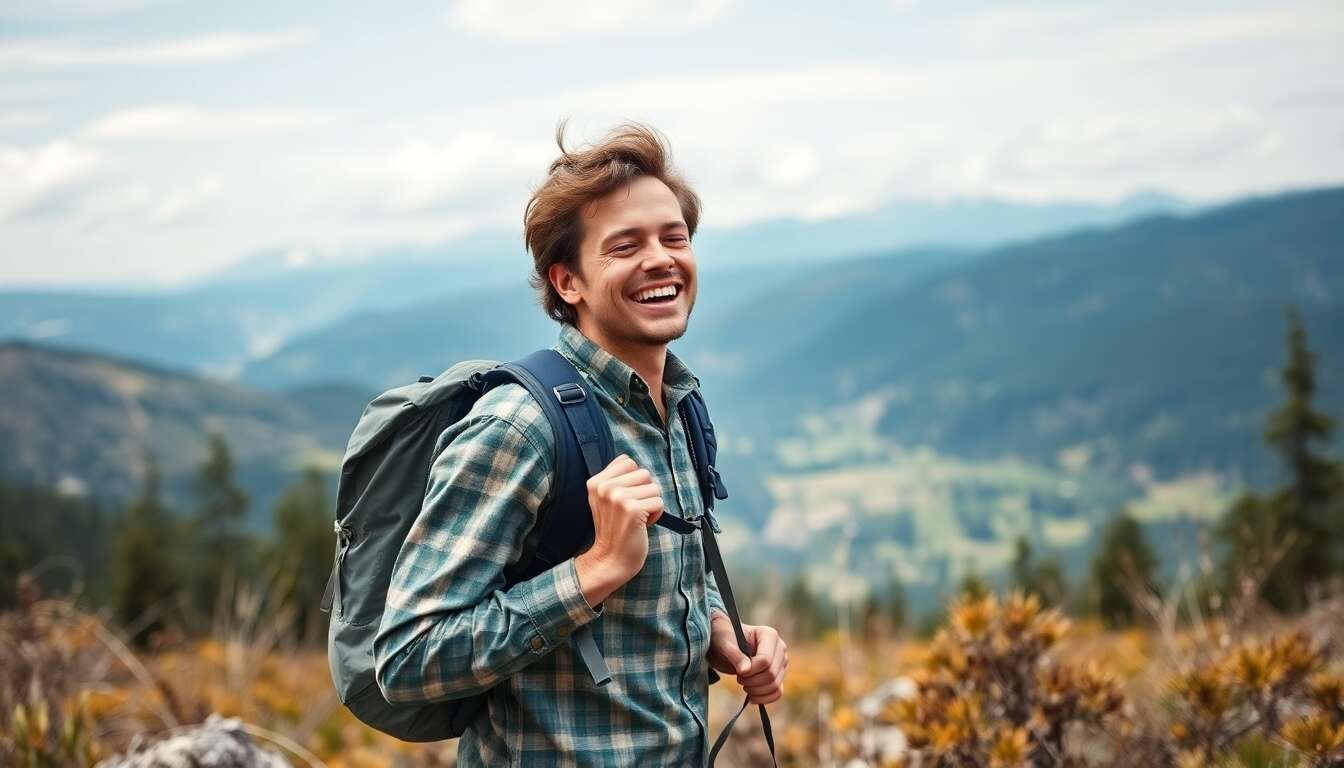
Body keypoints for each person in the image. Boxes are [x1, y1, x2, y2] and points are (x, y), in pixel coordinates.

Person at [372, 122, 788, 765]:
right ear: (568, 283)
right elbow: (407, 657)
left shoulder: (675, 407)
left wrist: (720, 635)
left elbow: (669, 583)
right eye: (624, 246)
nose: (660, 258)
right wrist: (591, 573)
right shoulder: (518, 428)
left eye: (673, 237)